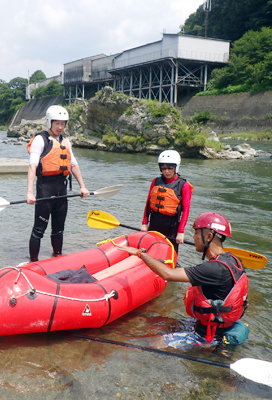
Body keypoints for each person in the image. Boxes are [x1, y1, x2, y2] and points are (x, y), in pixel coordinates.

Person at [118, 212, 249, 347]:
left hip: (206, 336)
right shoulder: (233, 260)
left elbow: (168, 274)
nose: (193, 238)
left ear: (209, 236)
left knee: (151, 344)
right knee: (159, 321)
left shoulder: (214, 269)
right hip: (215, 325)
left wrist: (141, 253)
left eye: (196, 233)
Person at [26, 105, 90, 261]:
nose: (60, 127)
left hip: (62, 190)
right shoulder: (40, 140)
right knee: (39, 230)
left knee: (58, 230)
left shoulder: (65, 141)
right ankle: (33, 262)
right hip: (45, 189)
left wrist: (82, 186)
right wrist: (29, 192)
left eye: (63, 124)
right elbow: (32, 165)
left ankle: (57, 258)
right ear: (50, 122)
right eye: (57, 123)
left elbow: (73, 164)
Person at [141, 150, 193, 253]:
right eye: (163, 168)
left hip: (171, 227)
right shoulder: (155, 181)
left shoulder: (184, 185)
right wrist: (144, 223)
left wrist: (181, 232)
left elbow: (186, 210)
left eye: (170, 168)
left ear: (176, 167)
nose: (167, 171)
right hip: (154, 223)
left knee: (168, 252)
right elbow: (148, 203)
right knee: (151, 251)